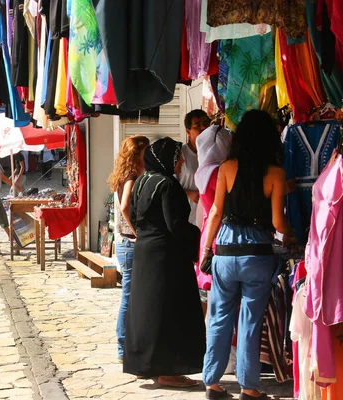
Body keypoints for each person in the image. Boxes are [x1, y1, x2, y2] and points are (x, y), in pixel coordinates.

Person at [200, 110, 296, 400]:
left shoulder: (227, 167)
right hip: (257, 253)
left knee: (219, 317)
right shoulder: (276, 174)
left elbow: (216, 212)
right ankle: (249, 387)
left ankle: (212, 383)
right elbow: (278, 224)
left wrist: (207, 249)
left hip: (226, 250)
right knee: (250, 320)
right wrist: (291, 236)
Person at [124, 137, 205, 387]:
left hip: (145, 252)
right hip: (166, 257)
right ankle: (169, 372)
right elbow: (176, 226)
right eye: (178, 157)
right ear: (166, 159)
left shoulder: (142, 181)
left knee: (146, 310)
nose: (181, 162)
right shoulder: (168, 185)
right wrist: (198, 237)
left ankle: (144, 365)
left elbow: (134, 214)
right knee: (168, 311)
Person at [106, 135, 150, 362]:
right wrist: (137, 231)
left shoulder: (122, 175)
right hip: (130, 243)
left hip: (124, 243)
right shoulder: (133, 176)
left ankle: (126, 345)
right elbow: (125, 207)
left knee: (129, 295)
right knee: (129, 295)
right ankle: (123, 347)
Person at [194, 125, 232, 315]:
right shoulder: (218, 172)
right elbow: (221, 208)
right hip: (219, 234)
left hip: (208, 232)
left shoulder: (203, 170)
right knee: (222, 302)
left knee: (215, 301)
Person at [179, 109, 211, 225]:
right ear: (188, 131)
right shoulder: (180, 155)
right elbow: (168, 186)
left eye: (206, 124)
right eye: (197, 125)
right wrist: (187, 193)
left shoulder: (216, 152)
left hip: (210, 219)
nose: (203, 128)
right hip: (187, 219)